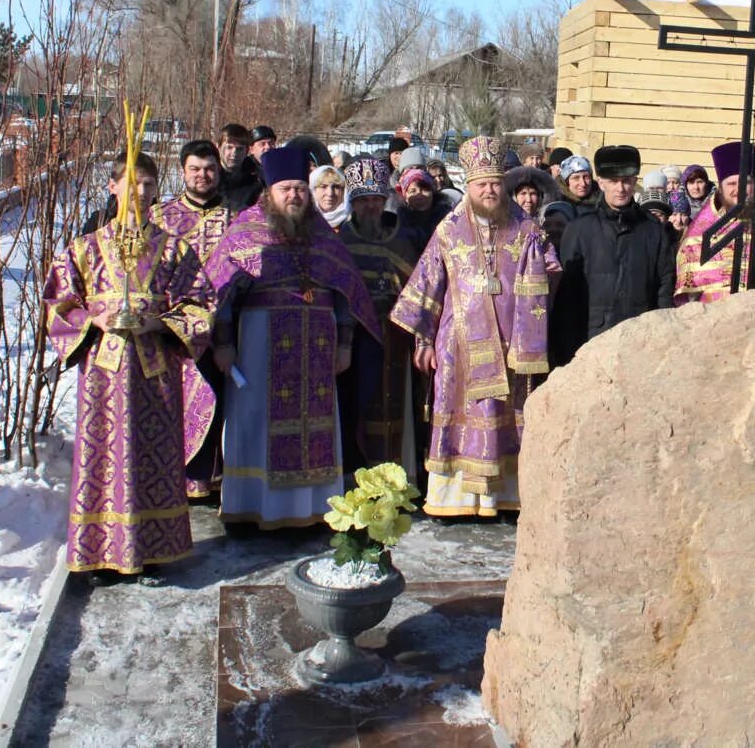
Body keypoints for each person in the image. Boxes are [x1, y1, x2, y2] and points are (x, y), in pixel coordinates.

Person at [45, 151, 213, 577]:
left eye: (149, 185)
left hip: (155, 371)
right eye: (132, 183)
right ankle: (102, 550)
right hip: (103, 375)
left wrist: (158, 321)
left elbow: (201, 306)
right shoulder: (84, 249)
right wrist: (93, 318)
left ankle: (155, 548)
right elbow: (56, 306)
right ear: (113, 186)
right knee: (104, 457)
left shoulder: (175, 249)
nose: (140, 192)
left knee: (154, 457)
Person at [203, 148, 381, 528]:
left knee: (315, 428)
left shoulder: (323, 236)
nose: (295, 196)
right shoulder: (244, 231)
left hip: (318, 348)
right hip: (257, 347)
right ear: (269, 192)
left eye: (301, 188)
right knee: (256, 423)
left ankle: (312, 508)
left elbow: (347, 294)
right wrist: (222, 343)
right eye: (286, 189)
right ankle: (254, 508)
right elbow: (218, 294)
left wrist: (346, 344)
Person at [391, 136, 550, 518]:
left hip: (511, 344)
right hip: (457, 347)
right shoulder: (448, 230)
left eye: (495, 183)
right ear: (470, 188)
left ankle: (503, 496)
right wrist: (423, 340)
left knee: (506, 419)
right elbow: (429, 284)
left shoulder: (526, 229)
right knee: (461, 416)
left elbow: (548, 279)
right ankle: (456, 499)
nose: (490, 190)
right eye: (482, 184)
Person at [150, 139, 235, 499]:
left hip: (222, 326)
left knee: (216, 397)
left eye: (210, 169)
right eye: (195, 169)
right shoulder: (160, 217)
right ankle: (168, 472)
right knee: (169, 400)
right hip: (170, 327)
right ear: (182, 171)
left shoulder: (236, 218)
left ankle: (206, 474)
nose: (203, 175)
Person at [551, 144, 676, 368]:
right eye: (613, 181)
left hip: (640, 341)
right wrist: (566, 352)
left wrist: (661, 337)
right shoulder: (580, 229)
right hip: (591, 340)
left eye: (627, 180)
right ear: (601, 182)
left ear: (634, 180)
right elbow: (568, 296)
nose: (621, 188)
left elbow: (664, 287)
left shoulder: (652, 230)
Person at [339, 158, 425, 477]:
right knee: (356, 403)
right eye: (364, 201)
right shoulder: (340, 241)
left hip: (394, 339)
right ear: (354, 204)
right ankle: (357, 471)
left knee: (393, 405)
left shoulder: (401, 239)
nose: (371, 207)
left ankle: (393, 472)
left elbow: (418, 287)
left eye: (376, 200)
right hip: (354, 341)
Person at [673, 141, 755, 305]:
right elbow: (689, 295)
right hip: (712, 319)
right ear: (721, 188)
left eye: (745, 183)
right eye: (731, 184)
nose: (739, 190)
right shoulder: (700, 232)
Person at [396, 165, 453, 254]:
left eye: (425, 190)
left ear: (432, 192)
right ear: (405, 196)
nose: (419, 195)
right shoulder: (397, 226)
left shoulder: (448, 220)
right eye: (413, 191)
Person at [218, 123, 263, 214]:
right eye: (229, 147)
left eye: (240, 149)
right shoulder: (208, 177)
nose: (234, 153)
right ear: (218, 147)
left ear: (247, 151)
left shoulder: (256, 180)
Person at [311, 163, 348, 230]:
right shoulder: (305, 223)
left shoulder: (352, 222)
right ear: (313, 190)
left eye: (336, 187)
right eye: (323, 186)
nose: (330, 193)